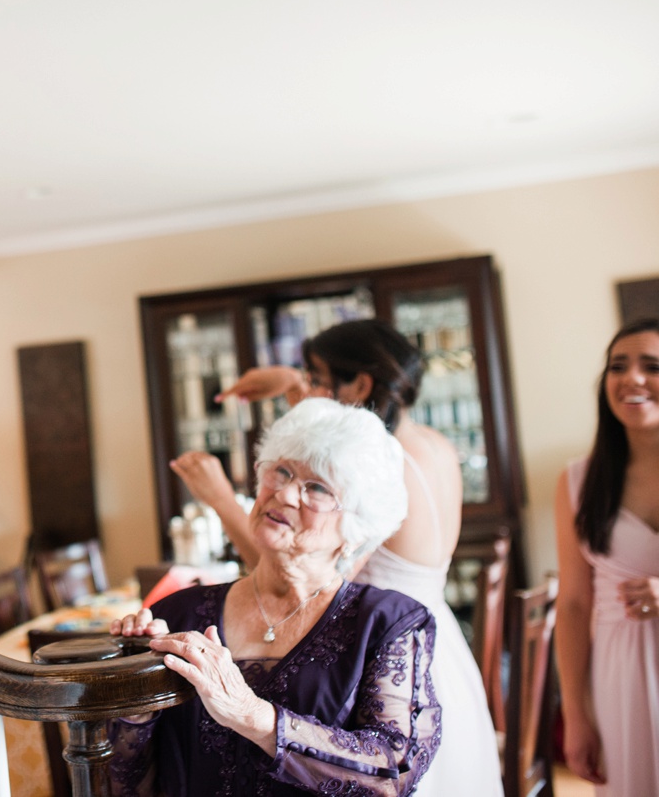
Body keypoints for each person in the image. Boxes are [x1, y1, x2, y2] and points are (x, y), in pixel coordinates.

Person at [174, 319, 499, 797]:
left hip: (387, 662)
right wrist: (287, 381)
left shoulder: (380, 467)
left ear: (361, 385)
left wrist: (222, 500)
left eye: (316, 380)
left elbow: (298, 569)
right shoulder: (432, 444)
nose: (310, 397)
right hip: (443, 642)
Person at [108, 398, 439, 796]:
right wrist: (134, 694)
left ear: (355, 527)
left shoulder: (387, 623)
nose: (284, 494)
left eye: (316, 488)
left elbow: (393, 774)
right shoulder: (177, 614)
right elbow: (124, 784)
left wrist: (252, 716)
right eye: (280, 472)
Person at [555, 318, 659, 794]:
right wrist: (576, 715)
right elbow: (573, 604)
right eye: (619, 366)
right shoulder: (577, 482)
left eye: (652, 366)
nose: (632, 378)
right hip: (621, 677)